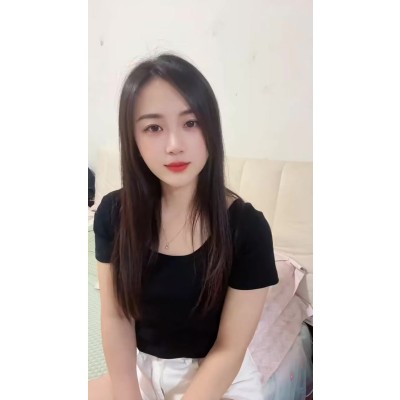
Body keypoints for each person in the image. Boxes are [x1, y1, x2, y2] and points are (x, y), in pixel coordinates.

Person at [93, 53, 279, 400]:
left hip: (216, 378)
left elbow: (229, 348)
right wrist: (127, 391)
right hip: (142, 369)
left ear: (211, 128)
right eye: (153, 128)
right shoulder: (113, 213)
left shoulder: (247, 229)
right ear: (133, 138)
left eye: (191, 123)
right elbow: (116, 317)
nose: (175, 145)